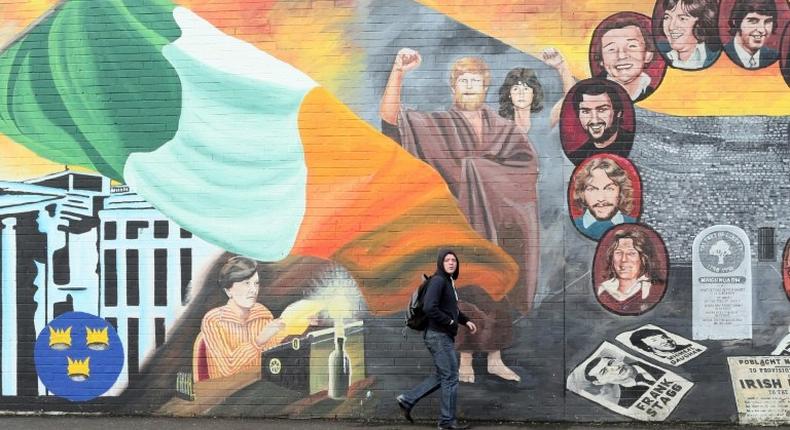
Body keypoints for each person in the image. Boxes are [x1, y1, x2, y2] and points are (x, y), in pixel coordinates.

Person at [381, 49, 538, 383]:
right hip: (458, 227)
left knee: (499, 286)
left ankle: (494, 358)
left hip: (499, 226)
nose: (469, 86)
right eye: (462, 81)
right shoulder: (437, 126)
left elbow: (525, 166)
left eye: (476, 81)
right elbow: (391, 122)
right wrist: (398, 72)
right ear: (453, 88)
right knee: (464, 291)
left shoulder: (501, 128)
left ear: (485, 88)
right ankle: (465, 359)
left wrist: (481, 172)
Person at [396, 250, 478, 430]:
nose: (451, 263)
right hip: (438, 336)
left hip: (441, 335)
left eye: (454, 260)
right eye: (447, 260)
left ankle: (407, 399)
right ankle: (446, 422)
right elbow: (429, 307)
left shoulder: (448, 283)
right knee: (451, 377)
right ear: (441, 263)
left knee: (443, 375)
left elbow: (452, 310)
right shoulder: (438, 281)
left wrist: (466, 321)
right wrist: (449, 321)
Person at [200, 256, 315, 379]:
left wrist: (302, 328)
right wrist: (258, 341)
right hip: (226, 391)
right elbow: (228, 368)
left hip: (259, 383)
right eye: (246, 283)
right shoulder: (213, 320)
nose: (253, 290)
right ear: (228, 290)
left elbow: (274, 351)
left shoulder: (261, 312)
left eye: (256, 283)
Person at [497, 48, 575, 133]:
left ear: (533, 94)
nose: (521, 94)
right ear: (509, 94)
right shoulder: (502, 127)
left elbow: (570, 97)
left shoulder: (543, 122)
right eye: (516, 89)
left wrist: (561, 66)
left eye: (526, 89)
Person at [596, 229, 665, 314]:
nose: (623, 259)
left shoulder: (654, 290)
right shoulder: (603, 290)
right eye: (618, 253)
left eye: (631, 253)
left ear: (643, 258)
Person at [565, 80, 633, 164]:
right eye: (586, 111)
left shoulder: (635, 145)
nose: (594, 120)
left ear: (618, 113)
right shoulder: (578, 157)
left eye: (601, 110)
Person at [593, 15, 658, 101]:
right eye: (611, 49)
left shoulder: (654, 95)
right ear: (601, 60)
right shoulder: (591, 93)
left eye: (632, 46)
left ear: (647, 55)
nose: (621, 56)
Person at [571, 157, 637, 240]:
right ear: (582, 194)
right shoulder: (572, 226)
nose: (601, 198)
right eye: (592, 189)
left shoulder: (634, 225)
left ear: (621, 192)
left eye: (609, 189)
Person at [658, 0, 720, 70]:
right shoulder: (659, 55)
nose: (671, 27)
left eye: (682, 18)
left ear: (700, 24)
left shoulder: (715, 58)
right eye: (667, 17)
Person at [584, 355, 665, 408]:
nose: (615, 368)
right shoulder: (627, 403)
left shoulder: (651, 359)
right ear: (599, 382)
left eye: (611, 363)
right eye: (604, 371)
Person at [724, 0, 779, 69]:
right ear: (736, 22)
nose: (762, 30)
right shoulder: (721, 56)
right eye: (753, 21)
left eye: (767, 22)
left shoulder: (776, 58)